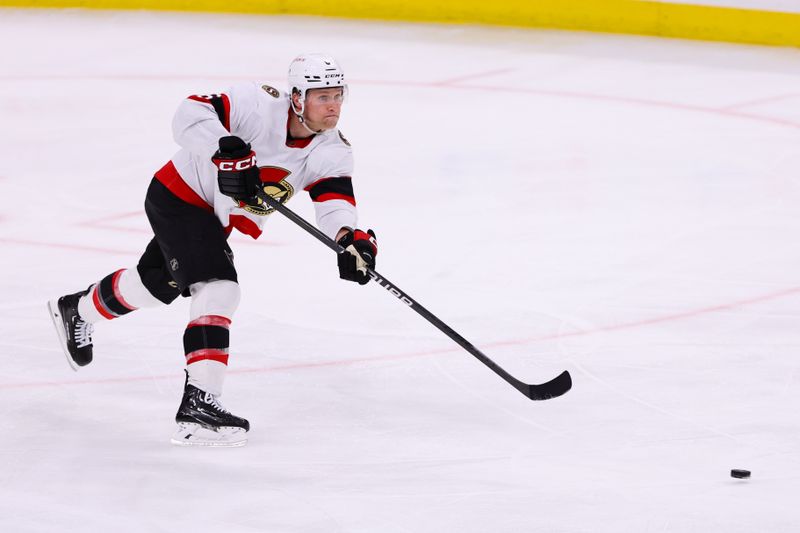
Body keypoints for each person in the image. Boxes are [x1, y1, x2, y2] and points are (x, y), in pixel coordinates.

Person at [47, 53, 378, 447]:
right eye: (323, 96)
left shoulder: (332, 149)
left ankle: (77, 309)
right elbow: (187, 114)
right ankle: (200, 401)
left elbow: (333, 201)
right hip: (178, 197)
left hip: (211, 219)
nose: (334, 106)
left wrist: (348, 240)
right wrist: (224, 146)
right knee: (220, 288)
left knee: (154, 286)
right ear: (296, 98)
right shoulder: (257, 105)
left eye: (338, 95)